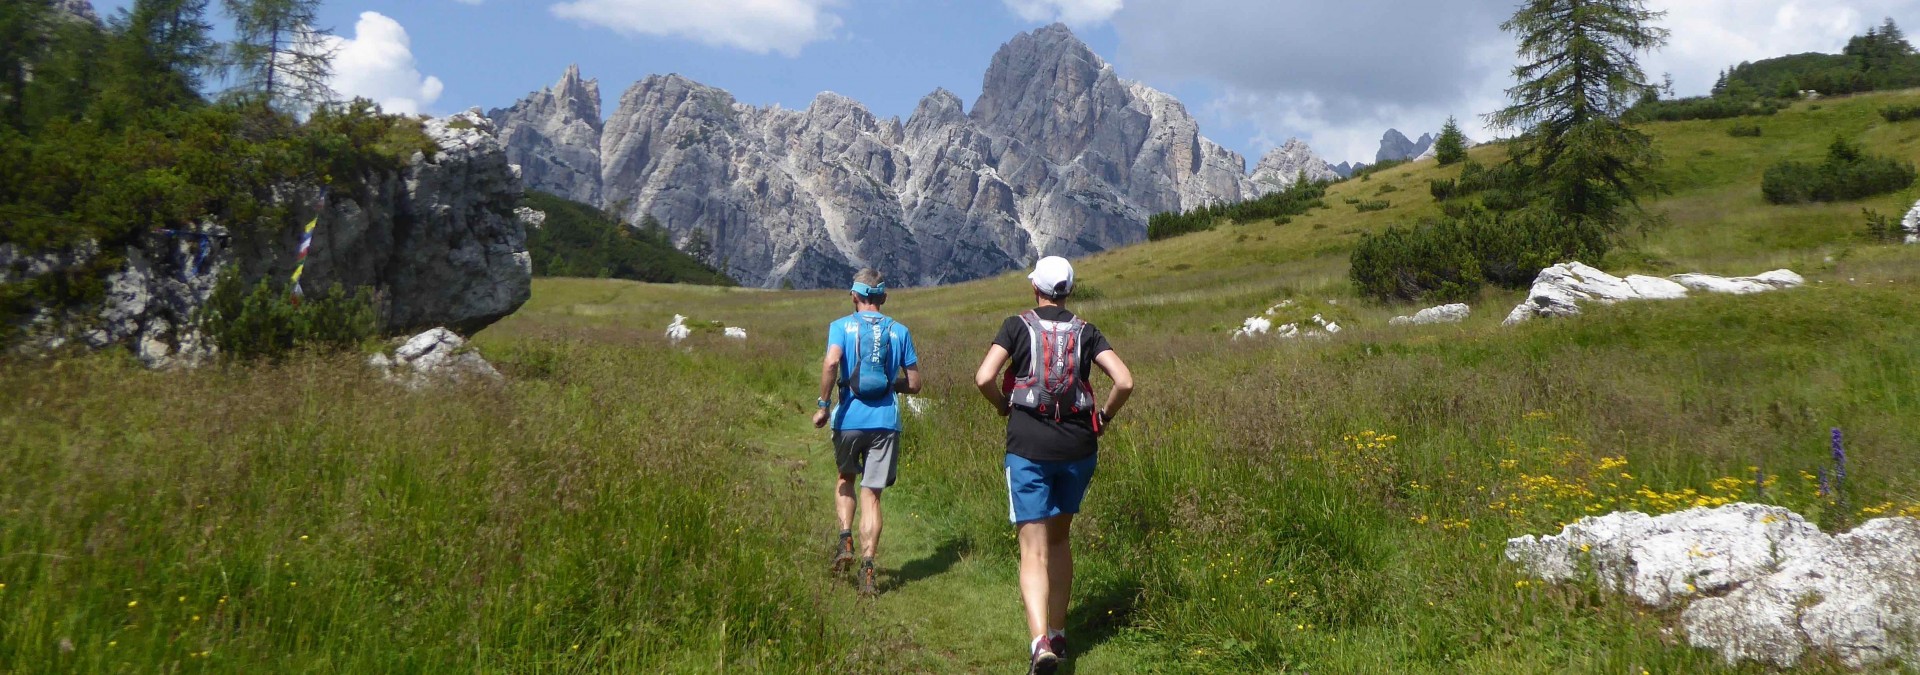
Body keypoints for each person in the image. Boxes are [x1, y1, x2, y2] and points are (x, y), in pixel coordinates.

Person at [972, 256, 1133, 673]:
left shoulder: (1015, 325)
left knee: (1033, 550)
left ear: (1035, 289)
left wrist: (1002, 407)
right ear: (1069, 291)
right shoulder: (1086, 331)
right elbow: (1125, 381)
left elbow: (984, 377)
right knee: (1060, 541)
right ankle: (1059, 636)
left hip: (1028, 446)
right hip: (1078, 448)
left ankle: (1039, 641)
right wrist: (1104, 419)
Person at [812, 268, 921, 596]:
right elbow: (915, 383)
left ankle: (845, 537)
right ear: (883, 298)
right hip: (885, 421)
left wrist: (822, 405)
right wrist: (891, 383)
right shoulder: (900, 331)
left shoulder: (840, 326)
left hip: (848, 419)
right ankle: (869, 568)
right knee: (872, 495)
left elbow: (832, 363)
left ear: (854, 296)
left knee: (846, 478)